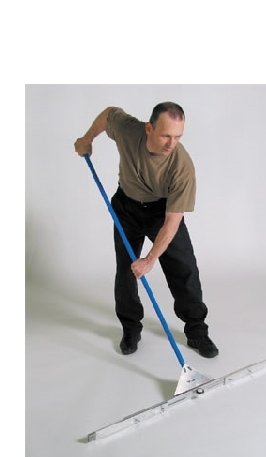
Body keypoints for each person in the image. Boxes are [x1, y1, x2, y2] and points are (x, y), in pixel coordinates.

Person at [74, 102, 219, 358]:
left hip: (161, 212)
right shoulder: (129, 130)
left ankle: (196, 330)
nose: (171, 143)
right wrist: (87, 139)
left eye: (178, 137)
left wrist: (150, 259)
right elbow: (109, 114)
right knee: (126, 270)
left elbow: (172, 222)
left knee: (184, 267)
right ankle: (131, 327)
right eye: (166, 135)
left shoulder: (182, 167)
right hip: (126, 206)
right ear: (149, 129)